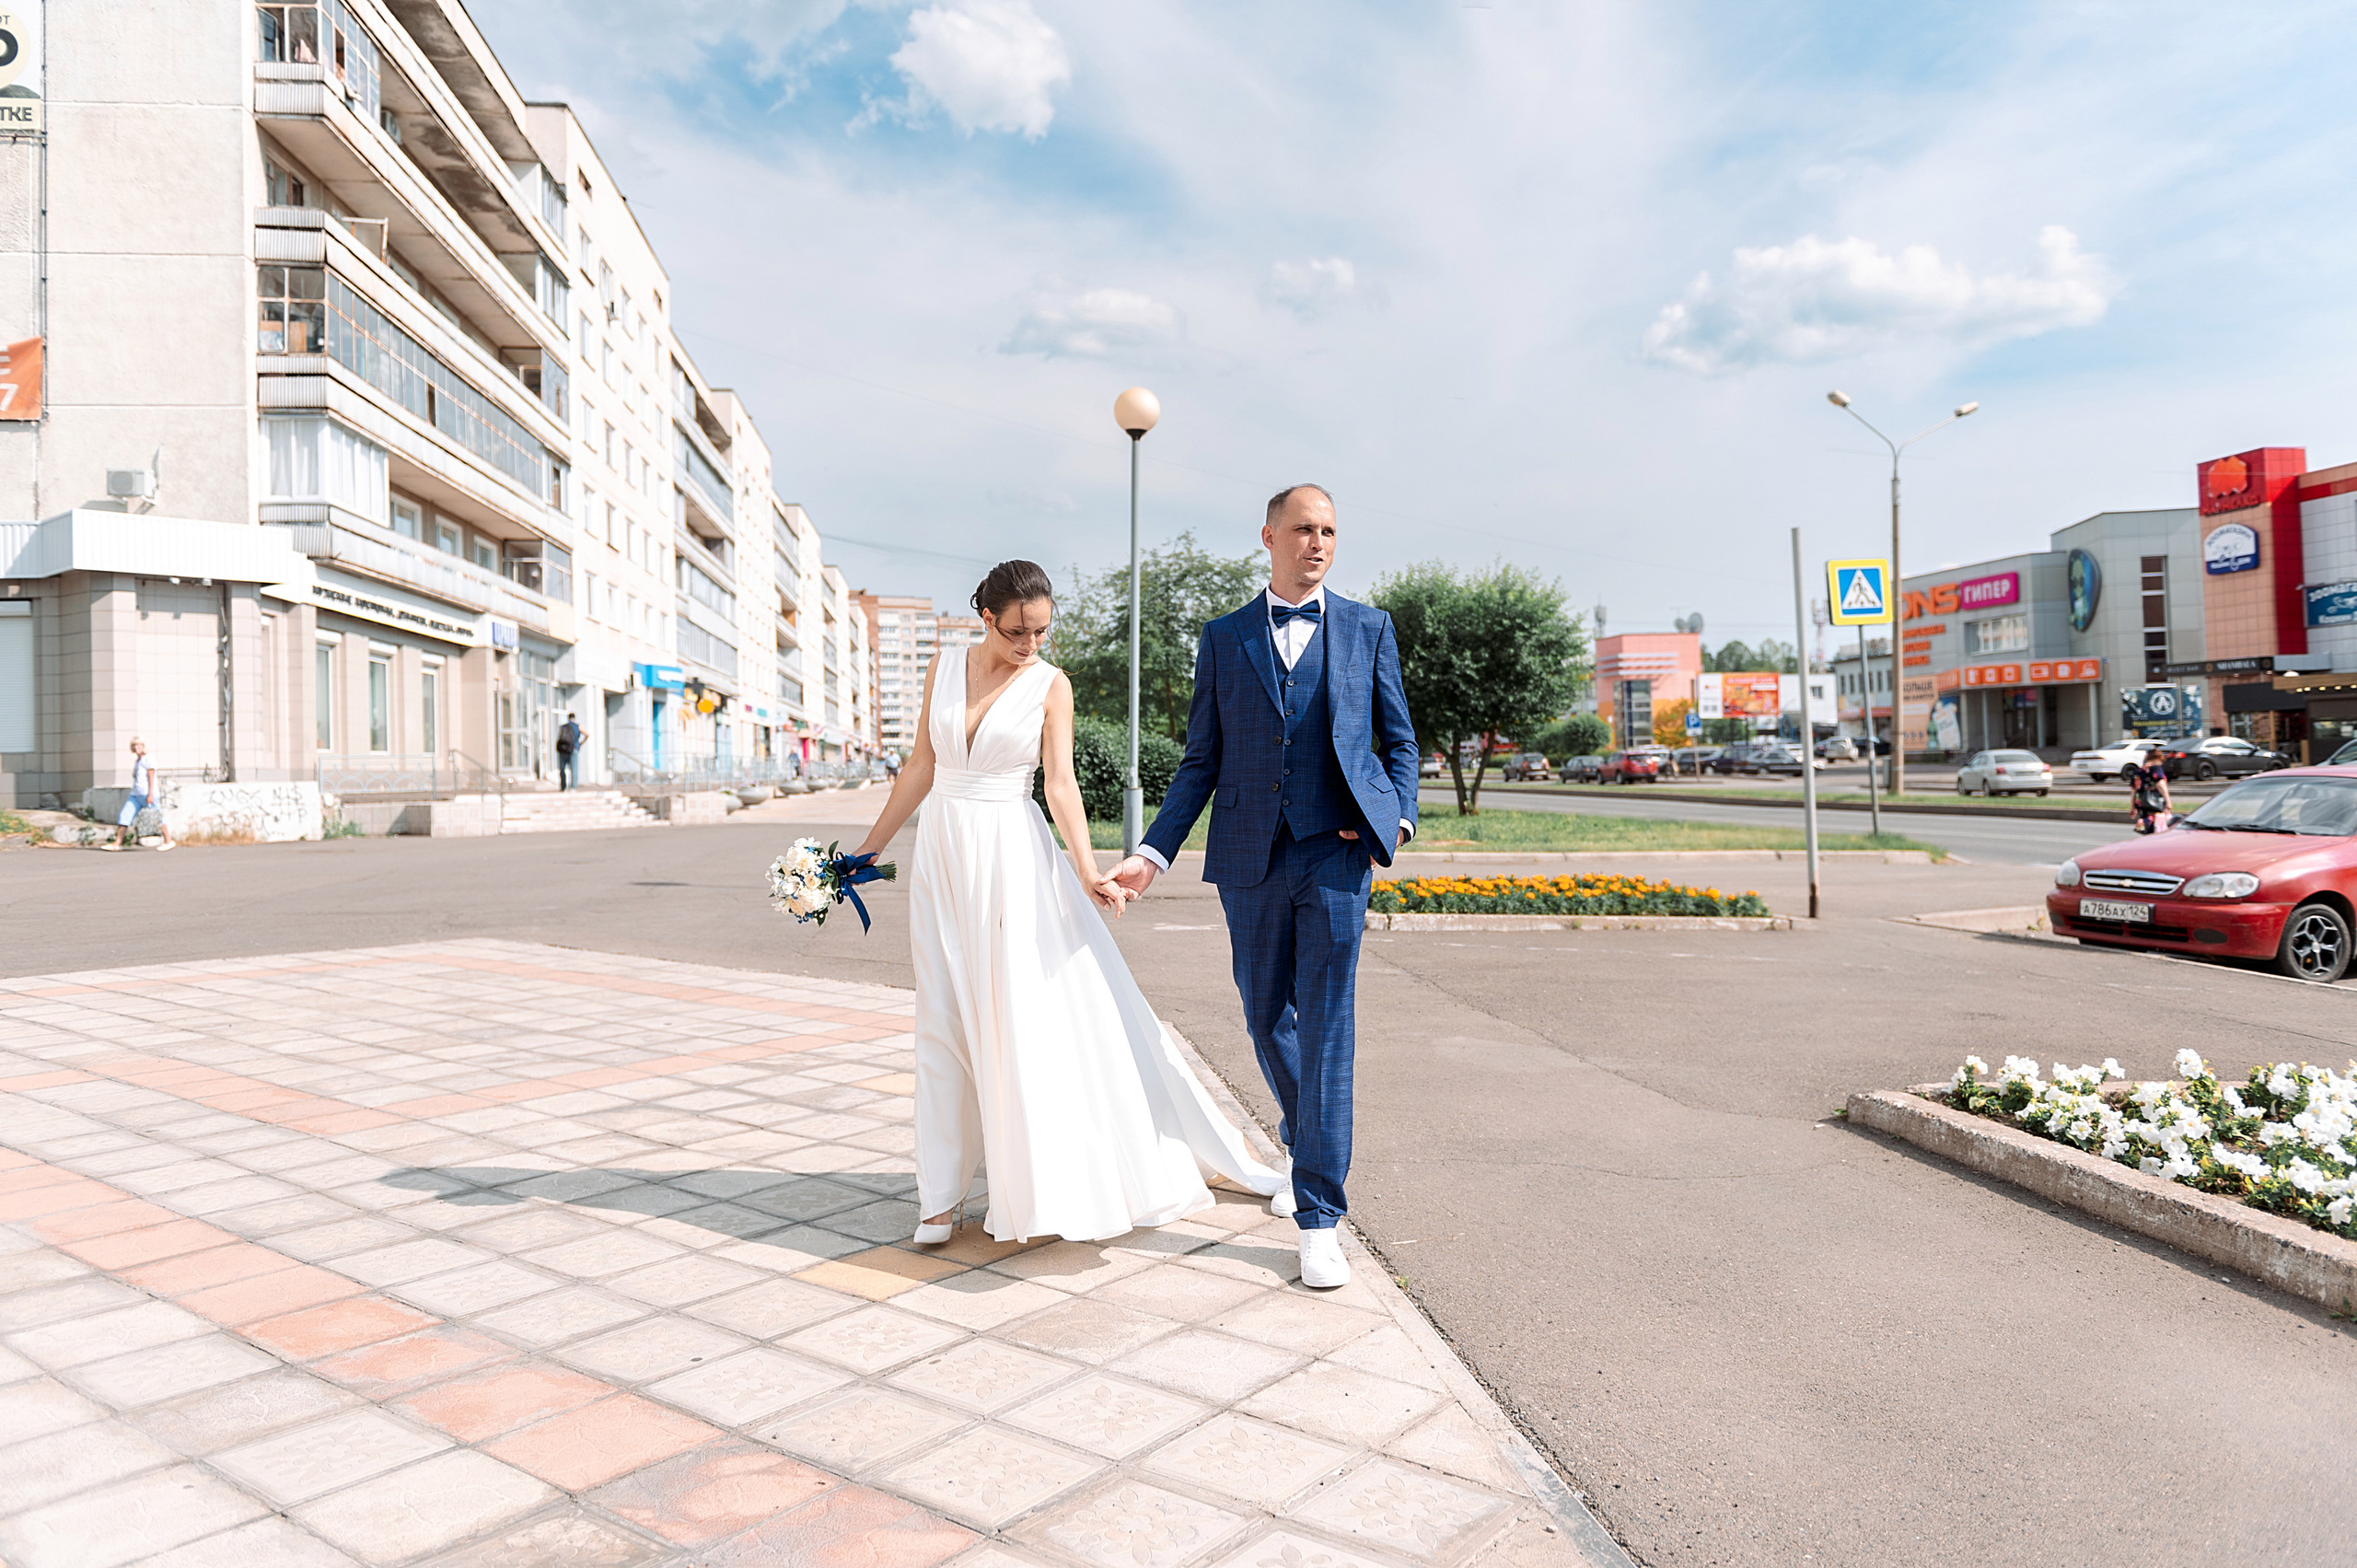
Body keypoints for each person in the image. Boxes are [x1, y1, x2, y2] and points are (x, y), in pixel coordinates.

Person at [850, 560, 1283, 1248]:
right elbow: (922, 767)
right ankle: (939, 1197)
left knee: (1014, 1015)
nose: (1031, 644)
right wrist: (867, 852)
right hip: (944, 855)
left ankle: (1037, 1186)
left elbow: (1060, 783)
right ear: (986, 617)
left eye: (1042, 631)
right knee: (942, 1016)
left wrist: (1085, 869)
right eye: (1017, 631)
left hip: (1012, 858)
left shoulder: (1051, 684)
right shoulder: (943, 667)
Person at [1109, 484, 1422, 1290]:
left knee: (1327, 1030)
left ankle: (1319, 1216)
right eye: (1304, 529)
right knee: (1261, 1011)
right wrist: (1152, 852)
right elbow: (1200, 761)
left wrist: (1395, 820)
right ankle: (1304, 1137)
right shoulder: (1225, 637)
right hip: (1249, 856)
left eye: (1329, 531)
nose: (1318, 542)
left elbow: (1399, 742)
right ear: (1269, 536)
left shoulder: (1369, 628)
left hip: (1337, 857)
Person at [108, 738, 175, 852]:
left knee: (157, 817)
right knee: (125, 816)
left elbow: (151, 777)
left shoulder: (149, 759)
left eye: (139, 745)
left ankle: (168, 841)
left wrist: (150, 794)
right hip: (135, 794)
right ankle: (117, 843)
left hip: (147, 794)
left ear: (143, 746)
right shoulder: (138, 761)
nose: (136, 748)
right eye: (134, 745)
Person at [2128, 755, 2172, 834]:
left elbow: (2133, 790)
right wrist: (2168, 802)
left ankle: (2143, 826)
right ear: (2156, 759)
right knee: (2157, 824)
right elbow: (2160, 785)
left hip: (2142, 803)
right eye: (2160, 761)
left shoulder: (2138, 772)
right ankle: (2146, 829)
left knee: (2149, 823)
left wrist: (2133, 807)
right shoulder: (2156, 769)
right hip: (2155, 802)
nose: (2161, 764)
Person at [555, 713, 584, 790]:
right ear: (574, 718)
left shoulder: (563, 727)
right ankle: (573, 787)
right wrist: (580, 743)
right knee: (574, 769)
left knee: (562, 768)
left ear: (568, 718)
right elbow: (587, 734)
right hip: (574, 748)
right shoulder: (577, 726)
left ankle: (563, 786)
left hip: (564, 749)